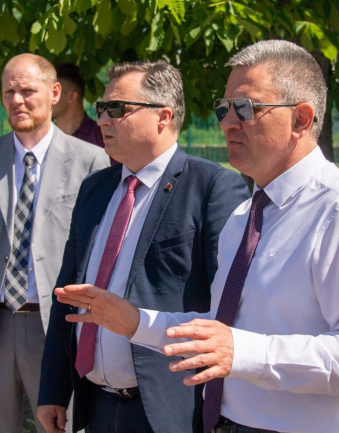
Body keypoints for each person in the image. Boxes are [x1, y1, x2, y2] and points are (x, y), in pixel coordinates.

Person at [53, 40, 339, 433]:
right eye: (224, 108)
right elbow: (221, 328)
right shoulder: (245, 217)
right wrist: (137, 322)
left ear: (301, 119)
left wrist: (244, 352)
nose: (227, 123)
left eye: (245, 108)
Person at [37, 60, 250, 433]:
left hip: (170, 410)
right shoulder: (95, 189)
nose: (102, 121)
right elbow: (68, 295)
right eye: (101, 109)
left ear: (163, 116)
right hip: (97, 406)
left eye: (116, 109)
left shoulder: (212, 187)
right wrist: (53, 390)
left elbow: (230, 308)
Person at [0, 53, 109, 433]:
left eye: (27, 91)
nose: (17, 100)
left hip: (56, 326)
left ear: (55, 93)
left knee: (61, 427)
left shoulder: (91, 160)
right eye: (9, 92)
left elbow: (96, 249)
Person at [52, 62, 106, 149]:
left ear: (72, 96)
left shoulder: (103, 138)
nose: (46, 98)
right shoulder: (40, 139)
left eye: (54, 92)